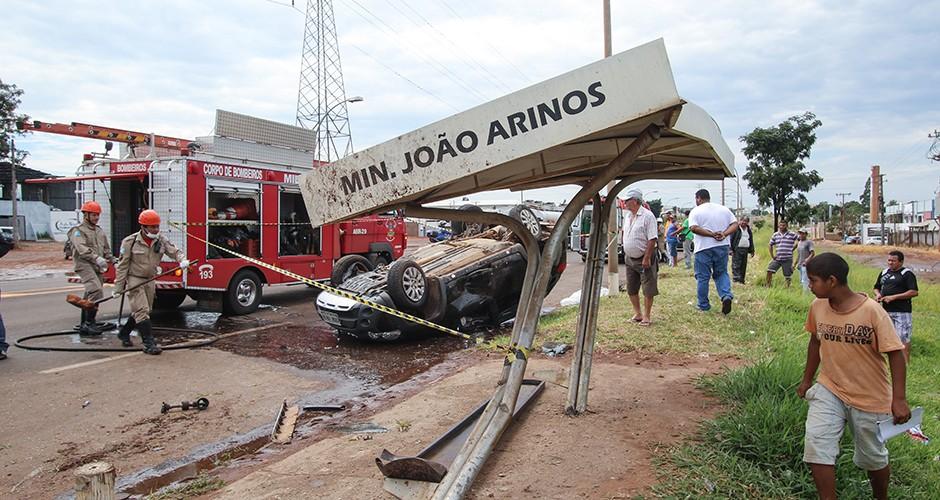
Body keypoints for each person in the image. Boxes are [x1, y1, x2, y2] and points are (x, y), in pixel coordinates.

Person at [797, 252, 910, 500]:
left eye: (813, 280)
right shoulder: (817, 307)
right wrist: (807, 379)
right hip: (829, 388)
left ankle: (881, 496)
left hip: (869, 396)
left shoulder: (872, 312)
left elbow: (896, 354)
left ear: (832, 281)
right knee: (817, 444)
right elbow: (815, 342)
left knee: (873, 457)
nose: (810, 285)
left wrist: (899, 399)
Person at [113, 210, 190, 355]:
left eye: (157, 226)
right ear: (143, 227)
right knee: (141, 311)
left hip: (150, 279)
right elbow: (122, 266)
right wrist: (118, 287)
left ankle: (124, 332)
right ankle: (149, 343)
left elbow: (173, 251)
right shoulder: (130, 242)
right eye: (152, 227)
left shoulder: (161, 240)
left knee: (145, 310)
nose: (155, 229)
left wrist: (182, 260)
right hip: (135, 279)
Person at [688, 189, 738, 314]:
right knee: (721, 273)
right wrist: (724, 234)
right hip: (722, 246)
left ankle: (703, 304)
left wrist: (711, 235)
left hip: (703, 247)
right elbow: (735, 224)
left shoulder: (696, 211)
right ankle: (726, 295)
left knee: (703, 277)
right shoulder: (724, 209)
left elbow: (693, 228)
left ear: (699, 198)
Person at [69, 200, 113, 336]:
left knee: (90, 294)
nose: (96, 218)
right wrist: (96, 258)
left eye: (97, 215)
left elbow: (106, 248)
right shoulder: (78, 231)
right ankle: (89, 323)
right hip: (84, 265)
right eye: (93, 215)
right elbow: (81, 249)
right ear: (86, 215)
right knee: (96, 290)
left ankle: (86, 324)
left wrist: (113, 259)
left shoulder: (99, 231)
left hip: (97, 266)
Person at [620, 188, 659, 326]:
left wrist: (647, 257)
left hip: (644, 257)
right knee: (631, 287)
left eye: (627, 200)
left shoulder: (648, 216)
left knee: (648, 287)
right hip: (630, 258)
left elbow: (652, 238)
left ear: (635, 201)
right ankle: (638, 313)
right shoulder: (627, 216)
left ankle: (647, 316)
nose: (624, 203)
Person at [873, 250, 918, 361]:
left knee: (902, 338)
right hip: (886, 311)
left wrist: (894, 297)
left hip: (902, 311)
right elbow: (876, 287)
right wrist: (878, 294)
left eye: (893, 261)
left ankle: (905, 363)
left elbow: (914, 292)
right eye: (889, 260)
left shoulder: (907, 274)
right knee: (888, 338)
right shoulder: (884, 273)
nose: (890, 263)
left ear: (901, 262)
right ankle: (891, 361)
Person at [766, 220, 799, 287]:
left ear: (787, 226)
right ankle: (768, 285)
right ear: (778, 226)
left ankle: (788, 288)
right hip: (778, 258)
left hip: (787, 258)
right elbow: (770, 244)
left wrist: (793, 248)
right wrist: (772, 256)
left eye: (783, 225)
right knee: (769, 270)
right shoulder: (775, 235)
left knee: (787, 275)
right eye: (780, 225)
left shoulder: (792, 234)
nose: (782, 227)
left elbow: (800, 240)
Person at [730, 216, 755, 284]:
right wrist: (730, 249)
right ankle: (736, 279)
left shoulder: (748, 230)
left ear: (747, 222)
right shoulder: (736, 229)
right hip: (737, 249)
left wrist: (752, 250)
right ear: (739, 221)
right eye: (742, 220)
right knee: (736, 264)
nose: (743, 222)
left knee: (743, 265)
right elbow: (730, 239)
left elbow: (751, 240)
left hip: (745, 249)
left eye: (745, 221)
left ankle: (741, 280)